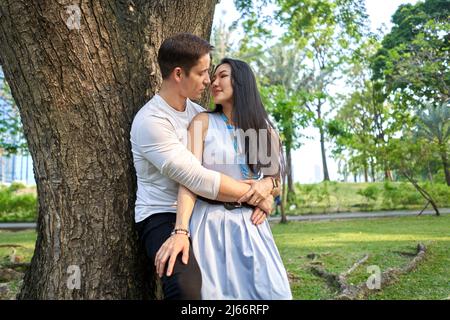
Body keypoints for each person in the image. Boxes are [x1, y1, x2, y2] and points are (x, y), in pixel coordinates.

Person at [131, 34, 277, 300]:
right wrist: (258, 196)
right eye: (202, 73)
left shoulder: (197, 112)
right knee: (186, 288)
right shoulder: (151, 122)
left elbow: (266, 170)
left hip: (201, 208)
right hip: (162, 214)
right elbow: (197, 177)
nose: (209, 81)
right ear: (178, 74)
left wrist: (268, 185)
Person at [158, 58, 292, 299]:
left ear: (241, 82)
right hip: (210, 225)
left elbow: (275, 181)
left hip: (252, 227)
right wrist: (180, 230)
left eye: (222, 76)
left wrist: (267, 188)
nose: (214, 82)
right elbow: (189, 180)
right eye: (213, 77)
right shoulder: (202, 123)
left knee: (273, 292)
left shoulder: (265, 130)